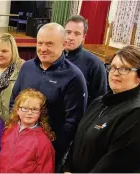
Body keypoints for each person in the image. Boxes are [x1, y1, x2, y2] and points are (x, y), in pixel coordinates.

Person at [63, 46, 140, 173]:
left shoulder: (139, 114)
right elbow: (77, 142)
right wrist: (67, 168)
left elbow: (115, 165)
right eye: (113, 67)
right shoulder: (99, 102)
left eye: (124, 68)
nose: (115, 72)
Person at [9, 23, 87, 171]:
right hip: (20, 144)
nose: (43, 49)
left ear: (64, 44)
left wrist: (53, 148)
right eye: (40, 43)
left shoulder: (74, 77)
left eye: (49, 44)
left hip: (50, 151)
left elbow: (73, 121)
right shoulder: (27, 67)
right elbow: (14, 101)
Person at [0, 88, 55, 173]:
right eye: (25, 108)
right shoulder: (8, 130)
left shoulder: (43, 142)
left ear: (40, 113)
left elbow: (46, 170)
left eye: (34, 109)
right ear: (18, 110)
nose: (29, 112)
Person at [64, 15, 107, 105]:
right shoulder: (53, 57)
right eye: (68, 32)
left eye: (77, 34)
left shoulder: (95, 64)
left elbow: (100, 98)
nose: (71, 37)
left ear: (83, 37)